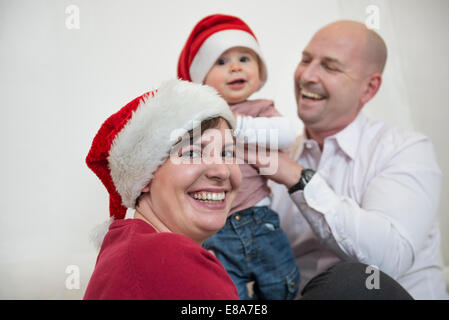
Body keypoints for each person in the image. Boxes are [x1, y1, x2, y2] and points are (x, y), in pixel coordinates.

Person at [257, 20, 449, 299]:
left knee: (353, 280)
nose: (307, 75)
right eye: (306, 59)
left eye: (330, 66)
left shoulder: (406, 150)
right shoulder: (277, 156)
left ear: (369, 89)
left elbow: (387, 259)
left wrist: (299, 180)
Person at [83, 79, 242, 299]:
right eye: (192, 153)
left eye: (227, 153)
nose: (222, 171)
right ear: (144, 176)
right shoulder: (168, 257)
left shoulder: (125, 249)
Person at [177, 14, 300, 300]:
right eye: (220, 62)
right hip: (215, 225)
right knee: (224, 292)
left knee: (281, 283)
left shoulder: (260, 109)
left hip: (258, 217)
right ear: (201, 79)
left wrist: (238, 123)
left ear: (259, 72)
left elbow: (285, 135)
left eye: (245, 59)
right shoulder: (199, 120)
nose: (234, 67)